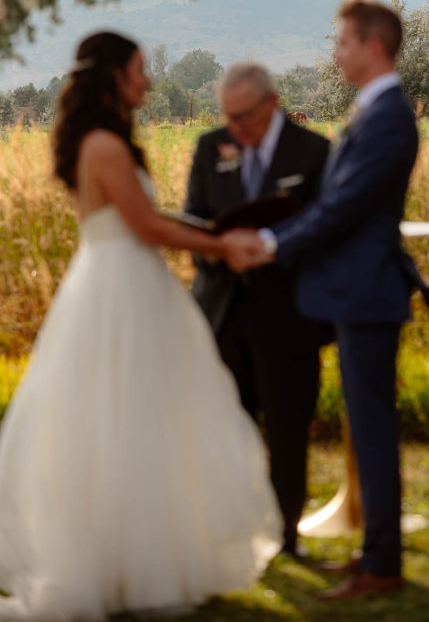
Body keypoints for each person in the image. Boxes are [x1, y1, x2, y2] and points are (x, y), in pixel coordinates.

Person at [0, 32, 281, 621]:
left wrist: (211, 234)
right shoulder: (103, 144)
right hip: (118, 290)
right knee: (123, 419)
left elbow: (149, 219)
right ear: (113, 78)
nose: (148, 80)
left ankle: (136, 560)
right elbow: (145, 227)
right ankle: (120, 566)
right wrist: (221, 246)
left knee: (140, 419)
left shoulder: (104, 141)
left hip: (124, 282)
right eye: (139, 70)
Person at [231, 0, 429, 601]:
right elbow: (330, 205)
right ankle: (375, 553)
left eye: (343, 42)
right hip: (355, 292)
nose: (337, 52)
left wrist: (268, 241)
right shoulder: (373, 111)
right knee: (366, 425)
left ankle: (383, 566)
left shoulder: (389, 116)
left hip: (366, 292)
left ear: (374, 46)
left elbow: (340, 210)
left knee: (371, 428)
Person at [185, 62, 331, 557]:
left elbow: (325, 231)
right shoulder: (211, 147)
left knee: (288, 430)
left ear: (272, 103)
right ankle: (232, 530)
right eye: (228, 117)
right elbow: (195, 224)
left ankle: (288, 535)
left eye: (244, 117)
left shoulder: (313, 152)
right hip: (224, 311)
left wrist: (272, 247)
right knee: (228, 428)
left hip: (289, 313)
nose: (236, 129)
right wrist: (219, 249)